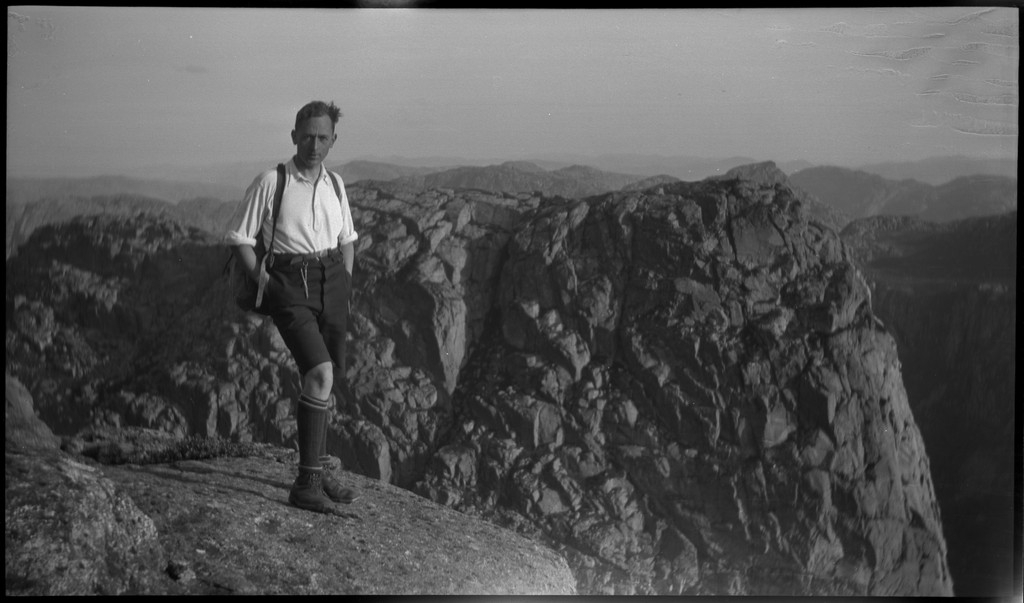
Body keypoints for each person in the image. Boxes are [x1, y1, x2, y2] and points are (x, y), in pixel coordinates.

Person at [225, 100, 359, 513]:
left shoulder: (336, 184)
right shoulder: (272, 181)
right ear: (293, 136)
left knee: (325, 376)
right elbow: (240, 237)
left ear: (333, 140)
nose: (314, 145)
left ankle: (315, 469)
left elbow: (348, 238)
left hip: (332, 280)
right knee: (318, 373)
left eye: (322, 137)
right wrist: (263, 278)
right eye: (307, 136)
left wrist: (345, 282)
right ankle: (306, 485)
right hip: (290, 283)